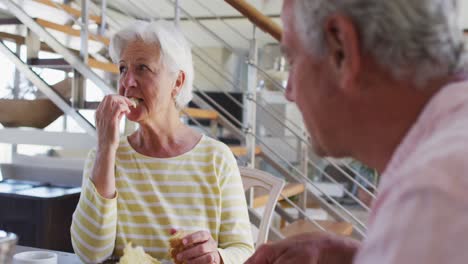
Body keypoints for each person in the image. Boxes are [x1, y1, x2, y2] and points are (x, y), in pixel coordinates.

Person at [246, 0, 468, 263]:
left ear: (340, 49)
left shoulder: (433, 196)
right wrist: (362, 255)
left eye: (293, 60)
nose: (289, 91)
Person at [70, 20, 254, 264]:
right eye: (123, 69)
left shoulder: (216, 158)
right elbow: (90, 254)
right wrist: (106, 148)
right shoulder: (105, 156)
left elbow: (243, 250)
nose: (127, 83)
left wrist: (217, 257)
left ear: (177, 82)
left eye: (143, 68)